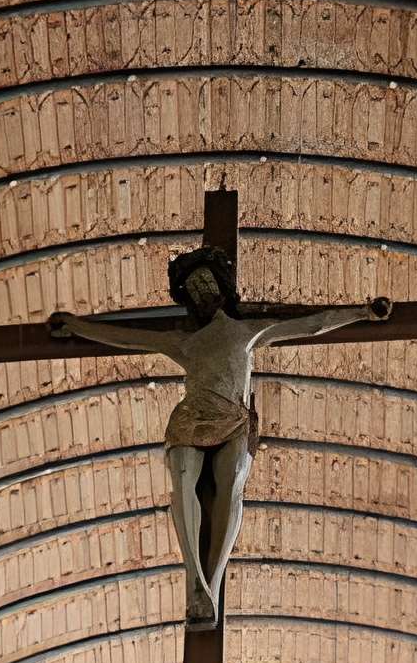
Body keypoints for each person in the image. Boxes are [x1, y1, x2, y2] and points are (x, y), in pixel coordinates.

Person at [49, 247, 386, 628]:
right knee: (181, 483)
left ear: (222, 290)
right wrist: (76, 326)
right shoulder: (185, 342)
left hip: (233, 420)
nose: (202, 294)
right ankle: (194, 580)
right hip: (191, 420)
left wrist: (363, 312)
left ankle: (210, 584)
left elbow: (312, 324)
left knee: (231, 485)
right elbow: (126, 338)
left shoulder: (246, 332)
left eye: (206, 285)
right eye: (194, 290)